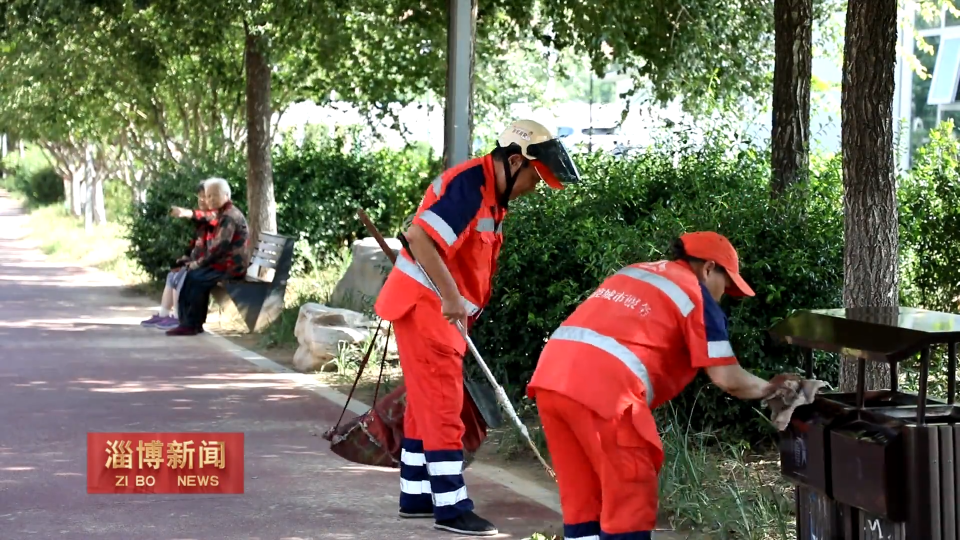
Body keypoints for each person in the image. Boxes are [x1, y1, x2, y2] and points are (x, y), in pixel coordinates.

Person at [373, 119, 582, 536]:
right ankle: (452, 509)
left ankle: (415, 496)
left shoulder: (491, 193)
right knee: (443, 408)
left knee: (423, 404)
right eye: (536, 177)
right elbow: (419, 237)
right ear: (517, 162)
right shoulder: (471, 184)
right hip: (427, 307)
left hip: (438, 310)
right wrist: (452, 298)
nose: (536, 188)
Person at [526, 232, 799, 540]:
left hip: (551, 379)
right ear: (709, 268)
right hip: (604, 393)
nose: (723, 295)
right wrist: (777, 390)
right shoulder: (695, 293)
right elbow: (728, 378)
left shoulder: (637, 272)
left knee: (584, 498)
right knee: (630, 495)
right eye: (727, 285)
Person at [166, 177, 250, 337]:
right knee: (192, 276)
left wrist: (198, 264)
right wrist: (192, 261)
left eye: (214, 195)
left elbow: (218, 248)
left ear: (226, 195)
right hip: (222, 264)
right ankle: (191, 324)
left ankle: (191, 324)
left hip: (231, 267)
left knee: (196, 278)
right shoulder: (221, 214)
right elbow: (204, 226)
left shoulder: (228, 216)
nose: (209, 199)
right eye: (208, 195)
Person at [140, 181, 218, 330]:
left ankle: (178, 317)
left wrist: (187, 213)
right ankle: (163, 314)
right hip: (199, 261)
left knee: (182, 275)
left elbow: (208, 222)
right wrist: (186, 257)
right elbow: (196, 244)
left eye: (205, 197)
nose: (202, 200)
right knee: (173, 273)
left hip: (211, 265)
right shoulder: (201, 222)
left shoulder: (216, 216)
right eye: (199, 196)